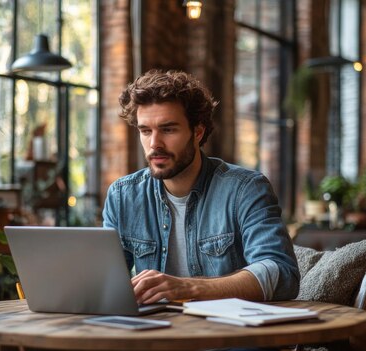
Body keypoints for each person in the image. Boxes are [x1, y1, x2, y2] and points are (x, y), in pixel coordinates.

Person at [102, 69, 299, 305]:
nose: (154, 144)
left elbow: (281, 274)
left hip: (229, 335)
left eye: (168, 129)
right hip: (155, 333)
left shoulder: (245, 189)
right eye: (145, 131)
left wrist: (187, 288)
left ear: (197, 132)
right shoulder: (123, 195)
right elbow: (104, 281)